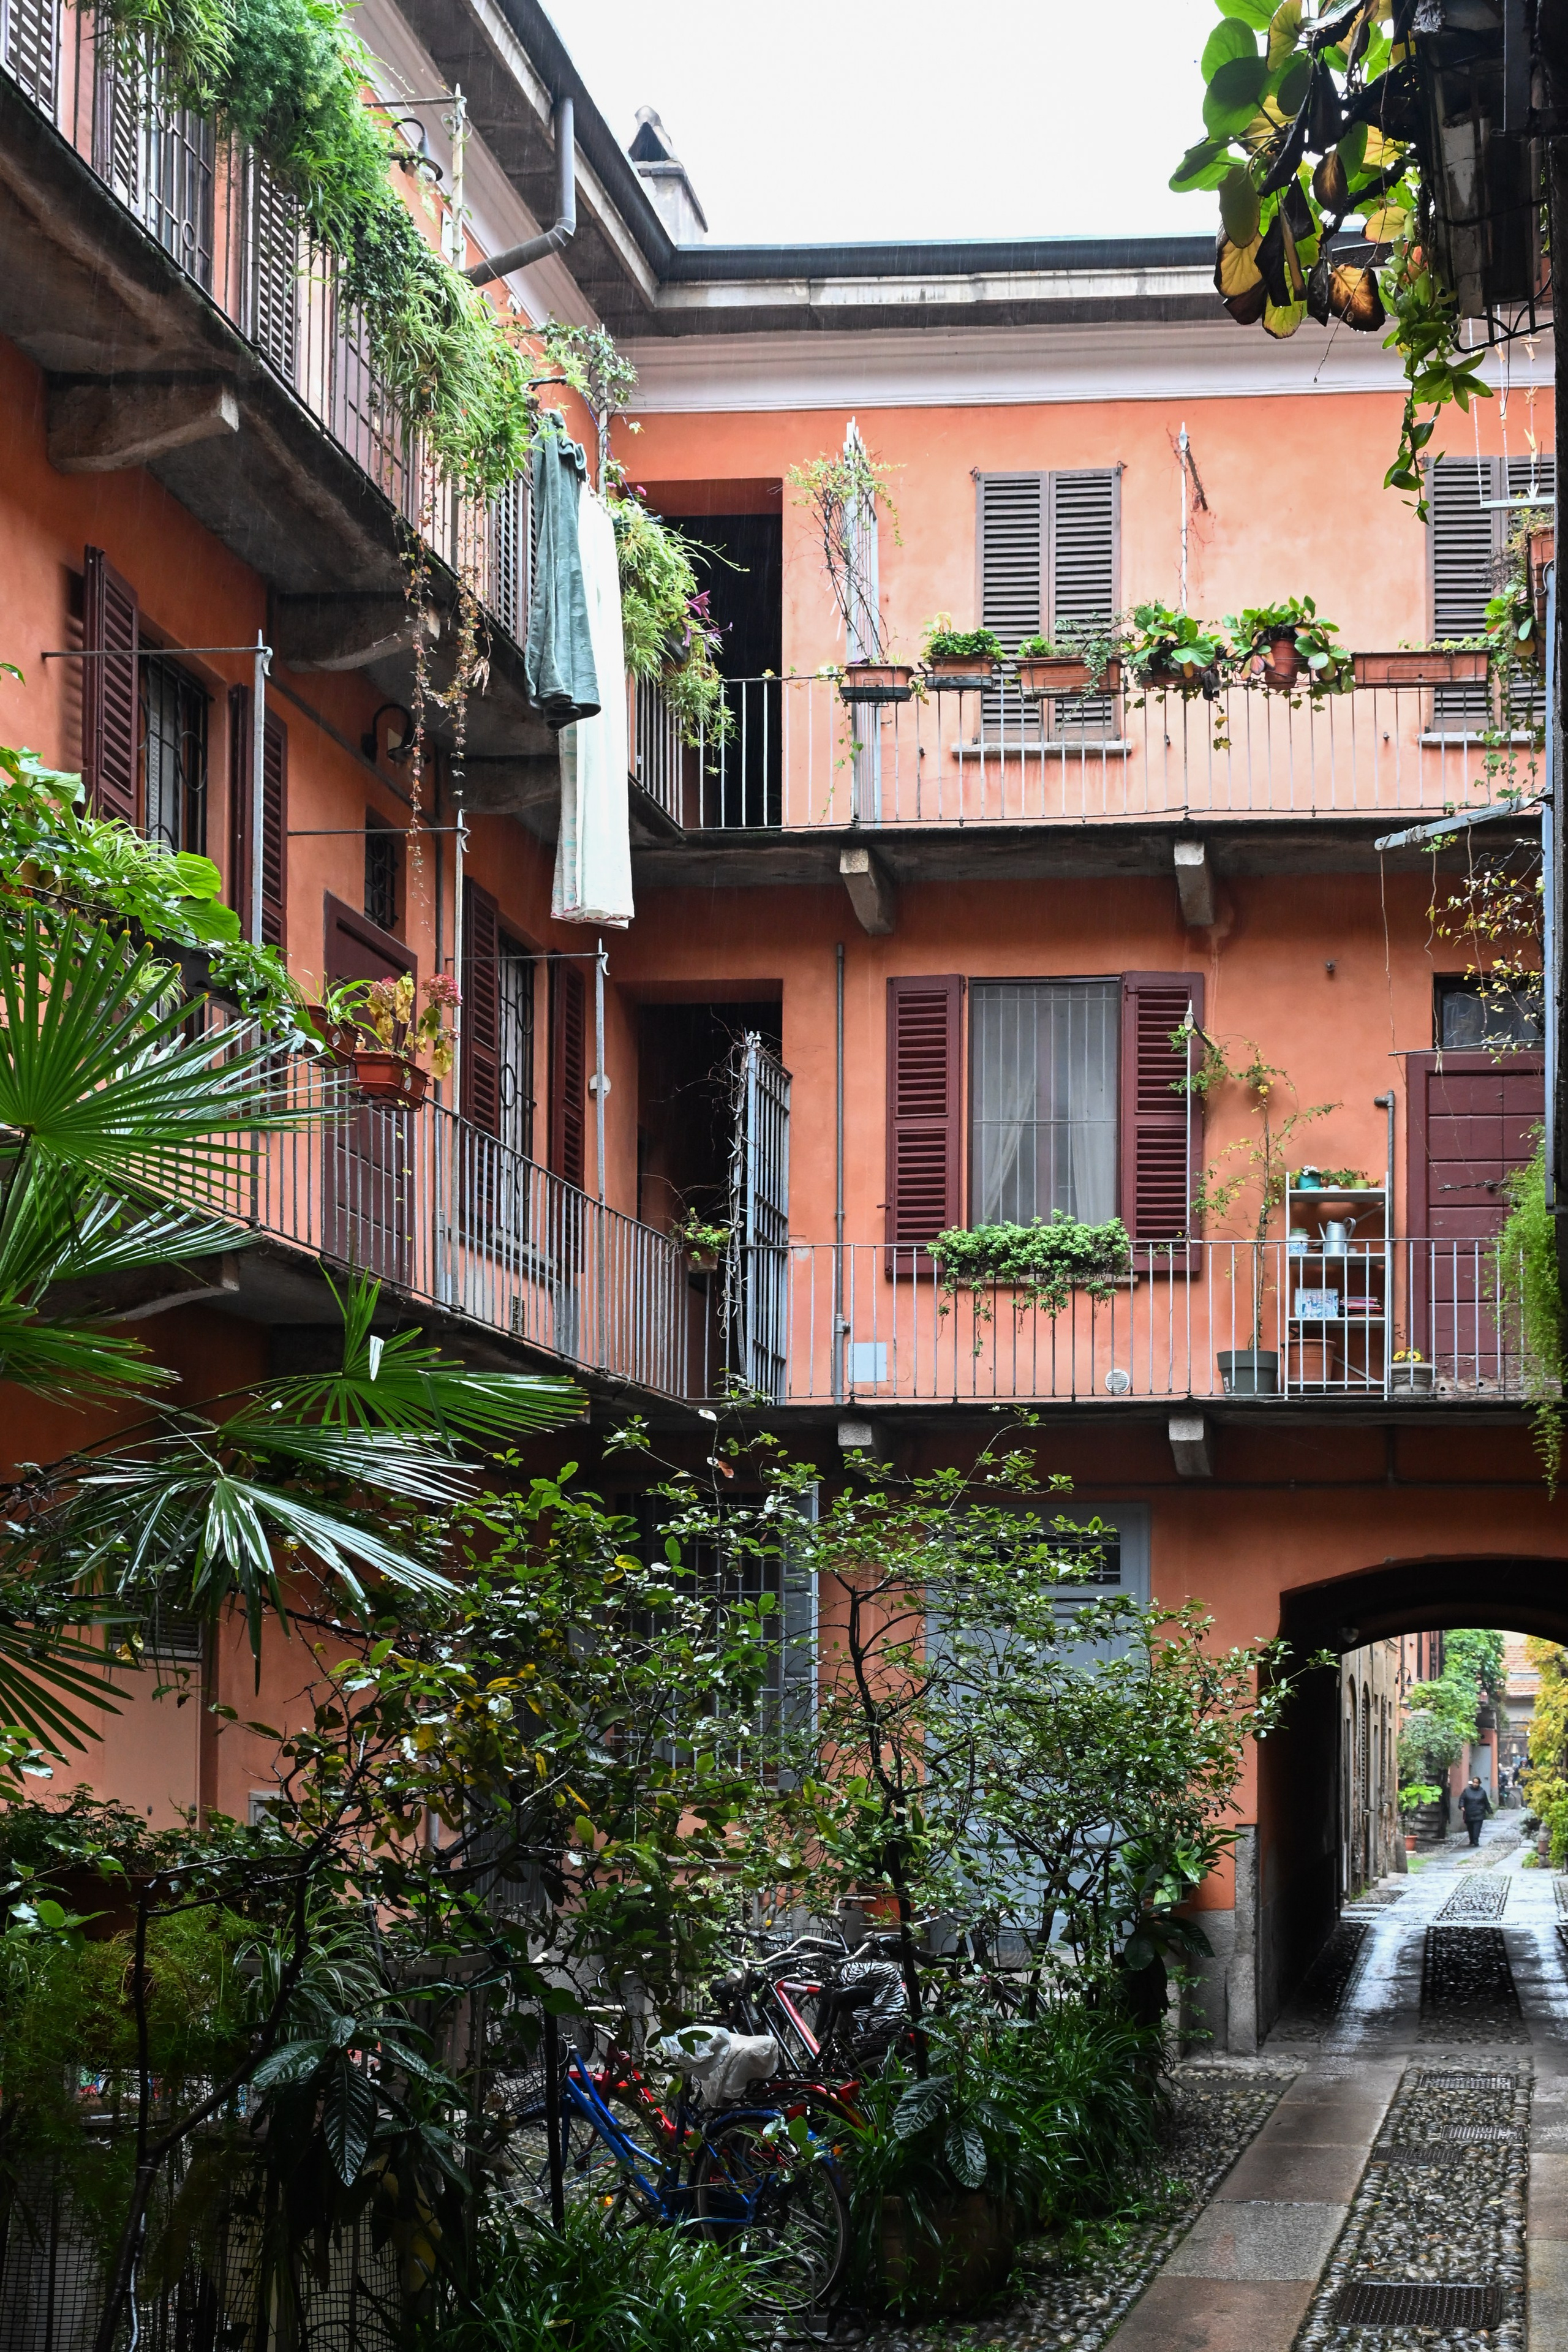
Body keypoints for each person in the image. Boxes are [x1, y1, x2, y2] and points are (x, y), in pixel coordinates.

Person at [1458, 1775, 1491, 1847]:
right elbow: (1462, 1799)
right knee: (1470, 1829)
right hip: (1469, 1813)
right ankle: (1472, 1840)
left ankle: (1476, 1841)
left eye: (1477, 1783)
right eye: (1474, 1782)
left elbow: (1486, 1802)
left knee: (1477, 1829)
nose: (1475, 1784)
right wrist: (1462, 1806)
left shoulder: (1482, 1792)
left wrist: (1489, 1810)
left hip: (1479, 1813)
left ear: (1479, 1783)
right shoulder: (1467, 1790)